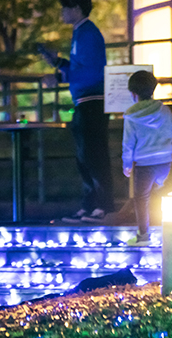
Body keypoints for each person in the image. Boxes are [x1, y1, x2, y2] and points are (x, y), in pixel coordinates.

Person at [40, 0, 113, 223]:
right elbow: (82, 67)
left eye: (65, 8)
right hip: (85, 100)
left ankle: (102, 207)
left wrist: (61, 76)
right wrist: (59, 62)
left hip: (92, 100)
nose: (62, 12)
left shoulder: (88, 33)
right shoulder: (81, 32)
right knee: (85, 156)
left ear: (76, 9)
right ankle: (91, 205)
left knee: (93, 155)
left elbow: (93, 72)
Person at [121, 70, 172, 246]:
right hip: (166, 161)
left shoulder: (131, 115)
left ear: (133, 94)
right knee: (166, 196)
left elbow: (128, 144)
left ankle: (144, 237)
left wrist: (127, 164)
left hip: (144, 164)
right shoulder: (164, 110)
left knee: (141, 199)